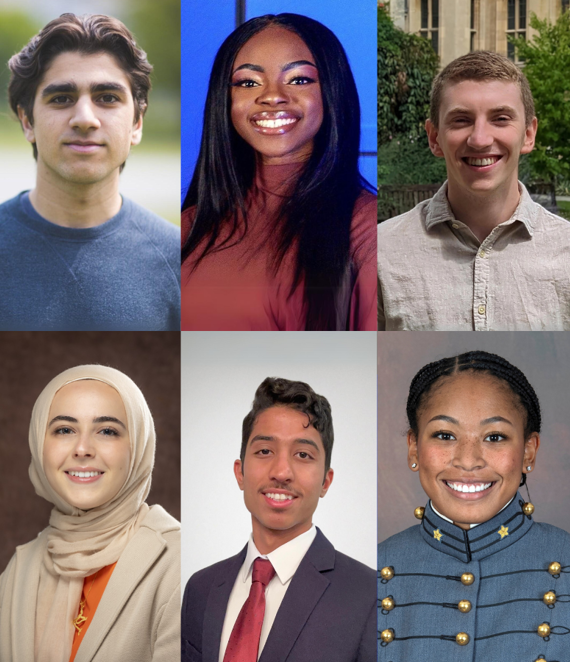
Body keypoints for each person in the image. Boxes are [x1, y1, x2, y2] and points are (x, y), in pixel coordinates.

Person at [0, 14, 181, 331]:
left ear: (137, 122)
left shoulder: (180, 259)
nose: (85, 119)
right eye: (61, 98)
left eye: (108, 98)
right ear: (27, 121)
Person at [181, 13, 376, 331]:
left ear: (331, 91)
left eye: (299, 80)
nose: (272, 96)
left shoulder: (365, 227)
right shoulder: (187, 229)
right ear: (225, 99)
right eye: (248, 82)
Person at [377, 351, 570, 660]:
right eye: (444, 435)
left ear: (529, 452)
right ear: (413, 448)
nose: (468, 461)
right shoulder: (370, 568)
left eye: (494, 437)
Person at [0, 365, 181, 662]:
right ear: (39, 443)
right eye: (64, 430)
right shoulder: (19, 571)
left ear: (139, 447)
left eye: (107, 431)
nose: (82, 449)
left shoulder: (179, 563)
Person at [181, 377, 375, 662]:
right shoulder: (200, 589)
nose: (281, 472)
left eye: (303, 454)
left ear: (325, 481)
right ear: (240, 473)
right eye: (264, 451)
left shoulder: (369, 595)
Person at [378, 52, 570, 330]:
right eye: (461, 120)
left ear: (529, 134)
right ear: (434, 138)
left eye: (500, 118)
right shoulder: (381, 252)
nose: (479, 139)